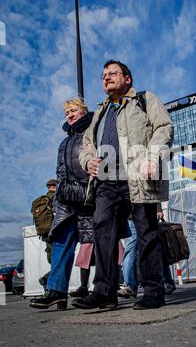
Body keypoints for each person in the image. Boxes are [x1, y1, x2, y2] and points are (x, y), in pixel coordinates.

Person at [72, 59, 173, 310]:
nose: (106, 77)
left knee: (146, 233)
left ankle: (153, 291)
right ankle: (105, 292)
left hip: (138, 178)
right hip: (106, 182)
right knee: (103, 234)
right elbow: (86, 145)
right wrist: (88, 162)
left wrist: (152, 157)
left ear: (127, 79)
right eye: (103, 74)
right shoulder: (99, 113)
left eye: (112, 73)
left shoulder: (144, 100)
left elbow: (164, 127)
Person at [29, 98, 94, 309]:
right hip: (67, 201)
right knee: (61, 242)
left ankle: (104, 290)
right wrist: (60, 195)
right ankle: (56, 291)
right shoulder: (65, 142)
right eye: (67, 112)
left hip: (88, 198)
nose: (70, 114)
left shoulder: (93, 131)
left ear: (84, 111)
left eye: (74, 110)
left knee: (100, 244)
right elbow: (60, 172)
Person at [38, 179, 57, 290]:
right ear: (54, 187)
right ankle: (47, 280)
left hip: (46, 235)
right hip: (55, 234)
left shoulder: (43, 201)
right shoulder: (54, 198)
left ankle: (49, 286)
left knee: (54, 262)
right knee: (59, 262)